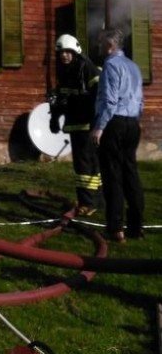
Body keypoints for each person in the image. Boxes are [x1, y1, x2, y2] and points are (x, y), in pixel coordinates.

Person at [89, 27, 144, 242]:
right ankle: (136, 227)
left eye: (101, 42)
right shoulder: (134, 67)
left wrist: (99, 127)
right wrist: (135, 121)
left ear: (110, 44)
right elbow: (140, 101)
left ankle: (115, 228)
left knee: (112, 175)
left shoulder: (111, 66)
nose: (98, 45)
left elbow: (110, 101)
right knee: (131, 173)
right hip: (132, 123)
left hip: (114, 123)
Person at [49, 34, 102, 215]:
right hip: (75, 124)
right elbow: (61, 98)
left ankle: (88, 203)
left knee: (85, 165)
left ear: (75, 51)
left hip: (88, 124)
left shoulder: (85, 68)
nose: (64, 55)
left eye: (67, 52)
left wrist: (97, 123)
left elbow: (98, 95)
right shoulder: (65, 70)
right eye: (61, 52)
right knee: (86, 164)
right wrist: (54, 118)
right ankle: (95, 200)